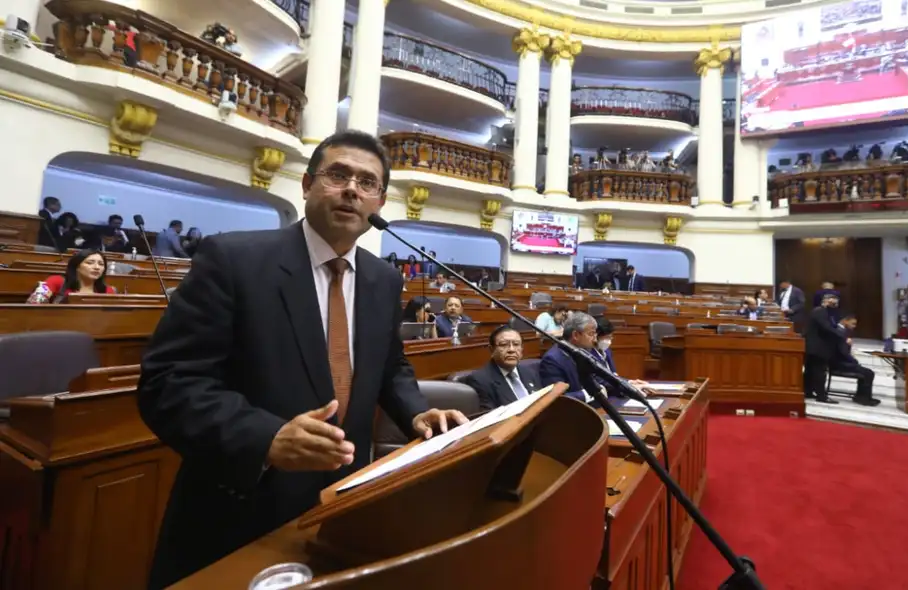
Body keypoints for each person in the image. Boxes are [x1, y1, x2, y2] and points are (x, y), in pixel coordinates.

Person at [136, 130, 468, 589]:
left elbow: (391, 367)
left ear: (379, 202)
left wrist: (416, 413)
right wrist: (266, 437)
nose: (352, 188)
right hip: (242, 511)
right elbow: (167, 384)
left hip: (342, 507)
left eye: (367, 182)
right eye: (338, 175)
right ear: (308, 185)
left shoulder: (383, 280)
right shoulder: (233, 259)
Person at [462, 326, 541, 412]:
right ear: (491, 350)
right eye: (504, 345)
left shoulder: (530, 372)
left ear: (522, 349)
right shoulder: (480, 380)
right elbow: (490, 418)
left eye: (516, 344)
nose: (511, 350)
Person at [539, 312, 598, 403]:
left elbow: (600, 378)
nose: (595, 339)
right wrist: (589, 393)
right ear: (575, 335)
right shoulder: (552, 360)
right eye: (591, 334)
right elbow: (557, 397)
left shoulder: (585, 352)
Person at [27, 249, 117, 304]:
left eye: (101, 264)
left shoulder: (108, 291)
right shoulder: (56, 281)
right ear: (76, 266)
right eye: (90, 263)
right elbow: (33, 304)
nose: (97, 267)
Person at [830, 314, 880, 407]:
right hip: (839, 363)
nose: (854, 326)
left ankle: (861, 396)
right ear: (845, 321)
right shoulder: (839, 332)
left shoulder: (841, 331)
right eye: (853, 323)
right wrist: (854, 361)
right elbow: (843, 352)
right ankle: (864, 398)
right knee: (869, 373)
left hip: (840, 360)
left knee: (865, 372)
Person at [803, 293, 843, 404]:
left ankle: (808, 391)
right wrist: (841, 335)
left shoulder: (821, 311)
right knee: (819, 371)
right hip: (817, 347)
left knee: (811, 370)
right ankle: (821, 396)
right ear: (826, 301)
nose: (835, 305)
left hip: (813, 346)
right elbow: (826, 328)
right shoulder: (820, 311)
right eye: (834, 302)